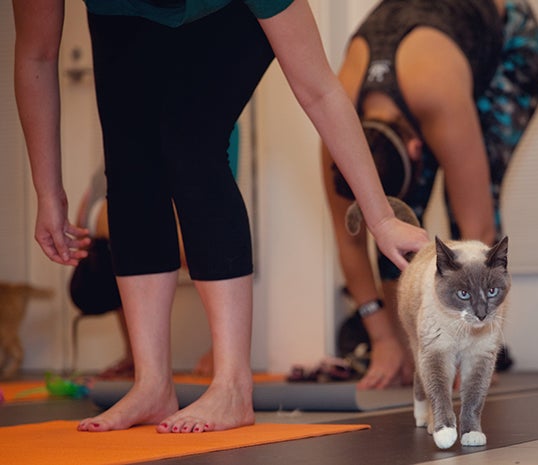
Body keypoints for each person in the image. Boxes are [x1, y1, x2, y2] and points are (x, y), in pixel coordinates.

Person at [13, 0, 428, 433]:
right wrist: (48, 190)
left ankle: (232, 386)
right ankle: (151, 384)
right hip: (122, 13)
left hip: (233, 11)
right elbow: (35, 55)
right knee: (130, 158)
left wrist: (380, 219)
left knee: (190, 143)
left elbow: (319, 90)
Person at [322, 0, 538, 389]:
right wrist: (384, 339)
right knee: (402, 229)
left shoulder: (437, 98)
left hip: (505, 36)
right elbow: (350, 239)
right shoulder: (337, 133)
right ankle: (406, 350)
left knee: (468, 221)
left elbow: (479, 226)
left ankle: (475, 346)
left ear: (417, 150)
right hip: (427, 45)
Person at [70, 168, 214, 378]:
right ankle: (138, 356)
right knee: (131, 265)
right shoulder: (98, 228)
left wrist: (220, 354)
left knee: (200, 257)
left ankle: (142, 357)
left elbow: (214, 267)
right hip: (117, 199)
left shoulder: (109, 226)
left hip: (126, 195)